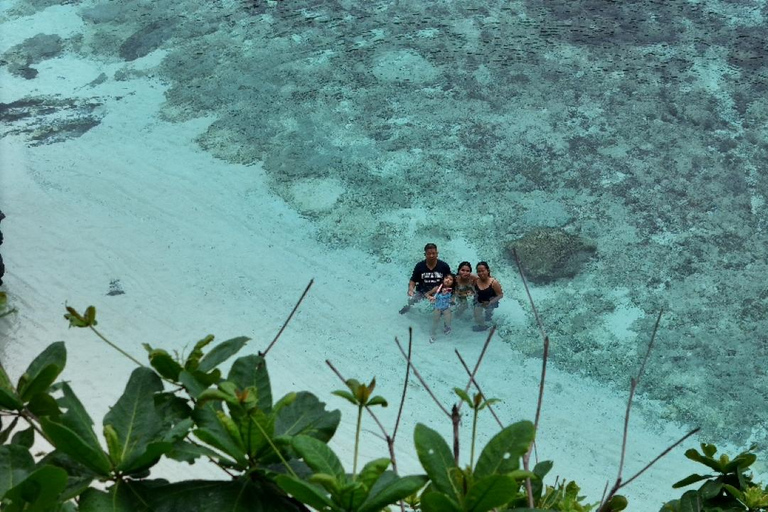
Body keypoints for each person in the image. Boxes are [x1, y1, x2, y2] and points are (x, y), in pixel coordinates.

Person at [399, 243, 451, 314]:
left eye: (433, 253)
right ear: (425, 254)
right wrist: (410, 290)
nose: (431, 255)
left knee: (442, 308)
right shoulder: (419, 266)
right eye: (429, 253)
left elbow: (450, 280)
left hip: (438, 292)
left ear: (437, 253)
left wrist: (445, 290)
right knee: (411, 300)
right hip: (422, 291)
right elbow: (413, 280)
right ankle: (408, 307)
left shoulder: (444, 266)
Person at [472, 261, 503, 331]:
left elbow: (500, 295)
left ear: (488, 270)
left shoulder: (494, 282)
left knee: (488, 314)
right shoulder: (476, 281)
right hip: (479, 299)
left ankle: (488, 318)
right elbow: (474, 289)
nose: (481, 273)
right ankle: (482, 326)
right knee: (477, 314)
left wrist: (491, 301)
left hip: (491, 300)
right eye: (479, 271)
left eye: (483, 271)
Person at [426, 274, 455, 343]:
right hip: (438, 307)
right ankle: (433, 334)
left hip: (446, 308)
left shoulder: (452, 290)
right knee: (435, 321)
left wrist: (453, 300)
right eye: (446, 278)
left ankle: (446, 327)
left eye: (451, 279)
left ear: (453, 283)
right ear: (443, 279)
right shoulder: (437, 288)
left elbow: (453, 298)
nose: (448, 280)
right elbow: (427, 294)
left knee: (448, 321)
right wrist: (430, 297)